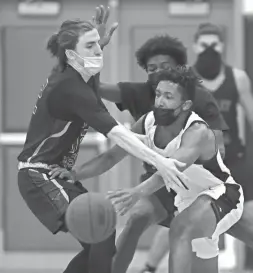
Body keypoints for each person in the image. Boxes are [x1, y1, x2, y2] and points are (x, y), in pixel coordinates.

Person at [17, 18, 187, 273]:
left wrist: (98, 44)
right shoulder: (71, 88)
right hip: (39, 175)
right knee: (100, 238)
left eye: (99, 43)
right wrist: (161, 162)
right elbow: (117, 134)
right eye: (91, 45)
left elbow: (87, 66)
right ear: (72, 54)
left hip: (56, 173)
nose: (98, 50)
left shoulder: (75, 74)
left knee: (104, 240)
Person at [49, 67, 244, 273]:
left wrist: (136, 193)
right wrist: (75, 173)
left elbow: (170, 171)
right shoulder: (148, 122)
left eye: (168, 96)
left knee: (180, 228)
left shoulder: (198, 132)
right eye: (158, 94)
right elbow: (111, 156)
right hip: (186, 200)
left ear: (185, 105)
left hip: (221, 193)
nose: (160, 101)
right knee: (198, 254)